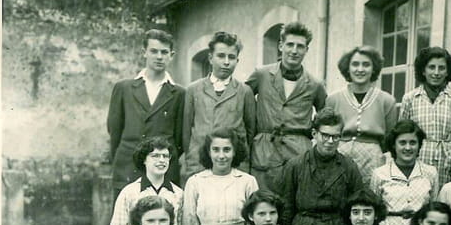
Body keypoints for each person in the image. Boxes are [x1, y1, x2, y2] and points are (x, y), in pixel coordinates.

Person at [245, 21, 327, 191]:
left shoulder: (315, 84)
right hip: (264, 152)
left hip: (298, 154)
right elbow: (242, 98)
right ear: (281, 46)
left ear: (306, 50)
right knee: (262, 202)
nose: (294, 51)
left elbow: (325, 117)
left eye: (300, 46)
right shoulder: (262, 75)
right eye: (290, 44)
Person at [278, 107, 363, 225]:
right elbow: (286, 208)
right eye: (325, 135)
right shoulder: (296, 165)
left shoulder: (349, 167)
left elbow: (358, 206)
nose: (330, 141)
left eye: (335, 137)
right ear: (314, 134)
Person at [107, 29, 185, 200]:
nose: (159, 57)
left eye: (164, 52)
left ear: (171, 55)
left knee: (162, 213)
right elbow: (114, 131)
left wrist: (161, 158)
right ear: (144, 52)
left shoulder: (179, 93)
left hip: (163, 170)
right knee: (126, 214)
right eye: (154, 51)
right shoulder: (124, 88)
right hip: (128, 168)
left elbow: (179, 138)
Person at [182, 32, 256, 184]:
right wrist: (192, 157)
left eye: (231, 57)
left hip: (233, 166)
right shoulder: (193, 90)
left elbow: (250, 131)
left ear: (237, 60)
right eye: (221, 56)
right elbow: (186, 132)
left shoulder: (244, 91)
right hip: (199, 165)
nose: (226, 62)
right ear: (210, 58)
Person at [325, 46, 398, 185]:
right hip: (340, 156)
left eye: (366, 64)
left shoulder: (386, 100)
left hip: (373, 160)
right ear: (347, 68)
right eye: (355, 64)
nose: (360, 69)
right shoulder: (333, 99)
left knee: (370, 195)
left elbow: (390, 140)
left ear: (374, 68)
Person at [398, 47, 451, 188]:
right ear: (423, 70)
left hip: (447, 162)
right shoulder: (410, 98)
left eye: (441, 68)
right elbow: (402, 135)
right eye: (431, 67)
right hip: (419, 159)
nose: (436, 73)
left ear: (447, 72)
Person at [370, 119, 439, 225]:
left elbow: (434, 209)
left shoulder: (431, 173)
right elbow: (374, 210)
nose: (408, 147)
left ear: (419, 145)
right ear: (393, 145)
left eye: (413, 143)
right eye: (402, 143)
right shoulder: (380, 174)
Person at [110, 136, 183, 225]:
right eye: (155, 156)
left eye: (165, 156)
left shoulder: (178, 194)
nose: (161, 160)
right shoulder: (130, 192)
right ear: (144, 160)